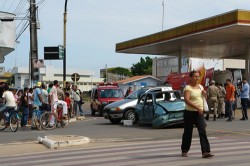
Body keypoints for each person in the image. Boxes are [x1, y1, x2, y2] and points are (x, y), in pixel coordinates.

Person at [181, 70, 214, 158]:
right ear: (190, 78)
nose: (197, 78)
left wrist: (205, 94)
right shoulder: (188, 88)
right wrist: (197, 108)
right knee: (188, 132)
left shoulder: (200, 87)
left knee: (202, 131)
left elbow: (204, 98)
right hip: (189, 113)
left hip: (199, 113)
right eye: (195, 76)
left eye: (198, 76)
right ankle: (184, 150)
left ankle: (205, 151)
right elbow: (187, 100)